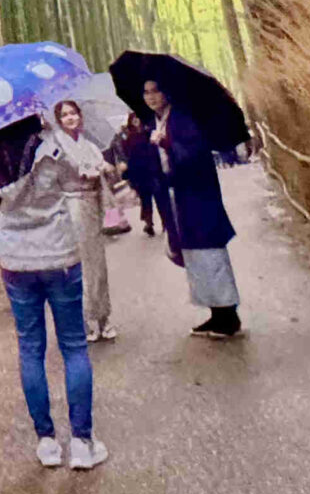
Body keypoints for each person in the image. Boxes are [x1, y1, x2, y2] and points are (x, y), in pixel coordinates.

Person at [0, 114, 108, 468]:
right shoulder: (52, 142)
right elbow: (74, 178)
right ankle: (81, 442)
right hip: (59, 252)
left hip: (16, 258)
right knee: (74, 347)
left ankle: (47, 442)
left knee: (31, 349)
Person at [143, 73, 245, 339]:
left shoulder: (183, 117)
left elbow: (196, 154)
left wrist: (166, 143)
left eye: (155, 90)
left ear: (166, 92)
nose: (151, 96)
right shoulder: (156, 121)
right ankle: (216, 313)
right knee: (195, 257)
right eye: (146, 92)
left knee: (210, 254)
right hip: (180, 197)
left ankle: (228, 317)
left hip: (199, 196)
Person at [53, 99, 119, 342]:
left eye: (73, 113)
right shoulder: (57, 146)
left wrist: (104, 167)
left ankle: (104, 316)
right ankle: (87, 319)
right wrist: (83, 171)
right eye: (64, 115)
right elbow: (57, 175)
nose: (70, 118)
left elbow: (99, 165)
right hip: (73, 205)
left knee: (97, 262)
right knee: (81, 262)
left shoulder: (88, 144)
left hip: (93, 202)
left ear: (80, 116)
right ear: (58, 121)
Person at [118, 114, 166, 244]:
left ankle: (165, 223)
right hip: (139, 174)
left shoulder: (148, 133)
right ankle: (148, 224)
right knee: (145, 201)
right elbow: (125, 155)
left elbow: (157, 149)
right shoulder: (127, 138)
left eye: (137, 118)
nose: (136, 120)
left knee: (160, 198)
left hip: (153, 171)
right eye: (133, 119)